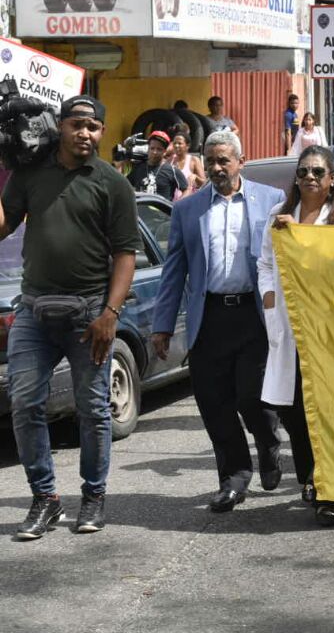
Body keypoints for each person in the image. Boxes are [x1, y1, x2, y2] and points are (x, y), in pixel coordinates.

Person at [1, 96, 139, 539]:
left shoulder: (111, 183)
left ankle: (93, 497)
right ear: (60, 127)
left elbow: (125, 254)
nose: (85, 133)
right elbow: (5, 224)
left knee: (94, 410)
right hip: (34, 311)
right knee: (24, 403)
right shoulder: (30, 173)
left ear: (101, 133)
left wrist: (109, 313)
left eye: (94, 127)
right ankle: (45, 500)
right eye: (77, 124)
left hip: (89, 315)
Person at [153, 131, 287, 513]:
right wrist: (162, 325)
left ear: (240, 162)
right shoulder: (187, 209)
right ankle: (233, 479)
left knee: (252, 397)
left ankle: (267, 440)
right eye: (210, 161)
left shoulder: (271, 200)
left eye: (224, 160)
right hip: (209, 317)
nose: (216, 168)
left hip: (254, 315)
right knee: (214, 403)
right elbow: (174, 271)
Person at [258, 146, 334, 527]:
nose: (310, 178)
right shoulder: (278, 216)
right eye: (303, 173)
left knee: (330, 409)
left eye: (318, 172)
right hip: (292, 326)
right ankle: (310, 477)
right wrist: (270, 301)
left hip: (331, 329)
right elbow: (265, 263)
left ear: (333, 179)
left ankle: (329, 488)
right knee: (294, 410)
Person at [125, 130, 188, 200]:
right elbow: (124, 186)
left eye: (159, 149)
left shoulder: (172, 170)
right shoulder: (138, 168)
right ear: (148, 149)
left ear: (165, 151)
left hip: (162, 210)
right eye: (152, 148)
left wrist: (178, 205)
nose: (154, 152)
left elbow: (187, 189)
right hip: (141, 209)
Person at [169, 124, 205, 198]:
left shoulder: (193, 161)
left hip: (189, 201)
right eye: (174, 143)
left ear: (187, 146)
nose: (176, 146)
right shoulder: (170, 160)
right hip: (171, 202)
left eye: (179, 143)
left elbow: (204, 183)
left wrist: (195, 177)